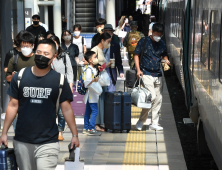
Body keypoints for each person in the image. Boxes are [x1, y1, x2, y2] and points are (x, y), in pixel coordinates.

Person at [0, 39, 79, 169]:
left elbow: (67, 110)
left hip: (48, 142)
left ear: (54, 57)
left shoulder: (59, 80)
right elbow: (13, 106)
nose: (41, 55)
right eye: (38, 52)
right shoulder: (20, 77)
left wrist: (74, 135)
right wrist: (4, 133)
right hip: (22, 141)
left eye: (46, 53)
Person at [134, 23, 170, 131]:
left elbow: (164, 54)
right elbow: (136, 55)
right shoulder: (144, 41)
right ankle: (141, 120)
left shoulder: (162, 43)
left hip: (158, 74)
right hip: (145, 73)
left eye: (160, 34)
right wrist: (138, 70)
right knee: (151, 97)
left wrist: (166, 60)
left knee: (158, 99)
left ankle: (154, 122)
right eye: (156, 34)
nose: (158, 36)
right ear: (152, 32)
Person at [50, 35, 73, 141]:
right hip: (49, 86)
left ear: (58, 44)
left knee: (61, 112)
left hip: (62, 87)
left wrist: (70, 86)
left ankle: (60, 132)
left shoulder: (64, 56)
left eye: (55, 42)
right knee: (49, 110)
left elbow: (69, 71)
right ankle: (50, 130)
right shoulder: (46, 56)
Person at [91, 32, 113, 132]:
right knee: (97, 101)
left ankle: (100, 123)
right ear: (102, 41)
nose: (109, 44)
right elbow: (93, 65)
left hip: (101, 80)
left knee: (101, 100)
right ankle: (96, 124)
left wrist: (107, 65)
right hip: (96, 79)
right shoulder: (95, 50)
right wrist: (104, 66)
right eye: (108, 42)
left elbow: (100, 65)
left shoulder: (100, 50)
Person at [82, 51, 101, 136]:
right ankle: (91, 128)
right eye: (94, 57)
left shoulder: (91, 69)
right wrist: (94, 80)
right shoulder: (89, 70)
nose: (96, 59)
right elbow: (86, 83)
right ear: (90, 60)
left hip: (90, 94)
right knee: (95, 111)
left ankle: (86, 128)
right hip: (91, 95)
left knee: (87, 112)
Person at [103, 24, 124, 91]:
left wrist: (121, 71)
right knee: (101, 95)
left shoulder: (115, 44)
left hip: (111, 71)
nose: (109, 34)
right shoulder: (98, 43)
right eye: (107, 32)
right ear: (103, 33)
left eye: (110, 32)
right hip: (101, 71)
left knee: (111, 94)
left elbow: (118, 59)